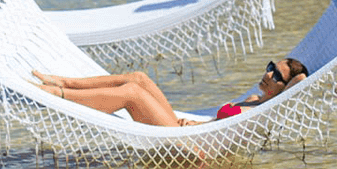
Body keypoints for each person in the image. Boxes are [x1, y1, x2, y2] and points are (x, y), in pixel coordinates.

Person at [32, 58, 308, 127]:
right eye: (271, 66)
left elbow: (303, 80)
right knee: (138, 78)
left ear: (285, 87)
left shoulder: (267, 108)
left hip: (192, 147)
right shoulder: (253, 99)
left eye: (277, 74)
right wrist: (201, 123)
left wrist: (201, 126)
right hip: (188, 131)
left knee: (132, 93)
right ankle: (66, 83)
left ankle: (59, 97)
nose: (268, 73)